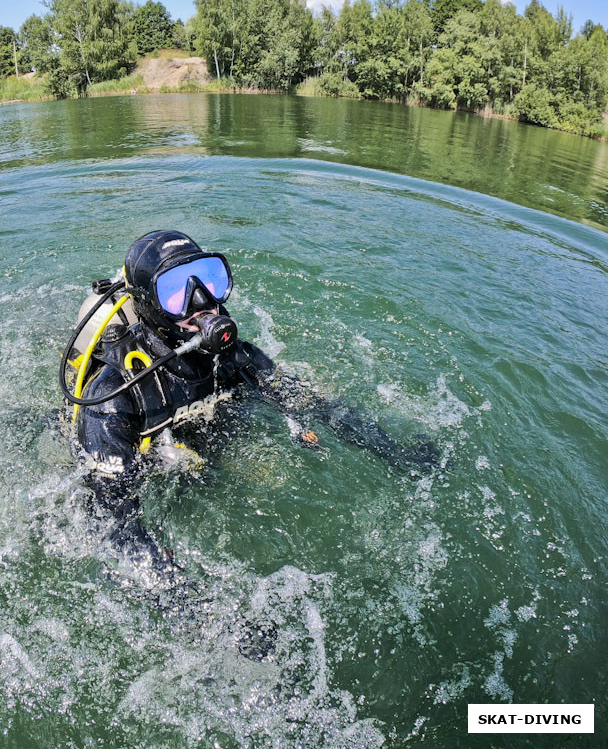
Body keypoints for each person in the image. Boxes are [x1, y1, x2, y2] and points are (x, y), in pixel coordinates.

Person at [59, 230, 439, 576]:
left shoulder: (233, 357)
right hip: (145, 454)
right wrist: (196, 611)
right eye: (175, 292)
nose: (201, 301)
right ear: (148, 305)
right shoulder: (113, 396)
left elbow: (312, 404)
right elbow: (111, 518)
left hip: (200, 433)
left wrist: (395, 452)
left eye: (208, 279)